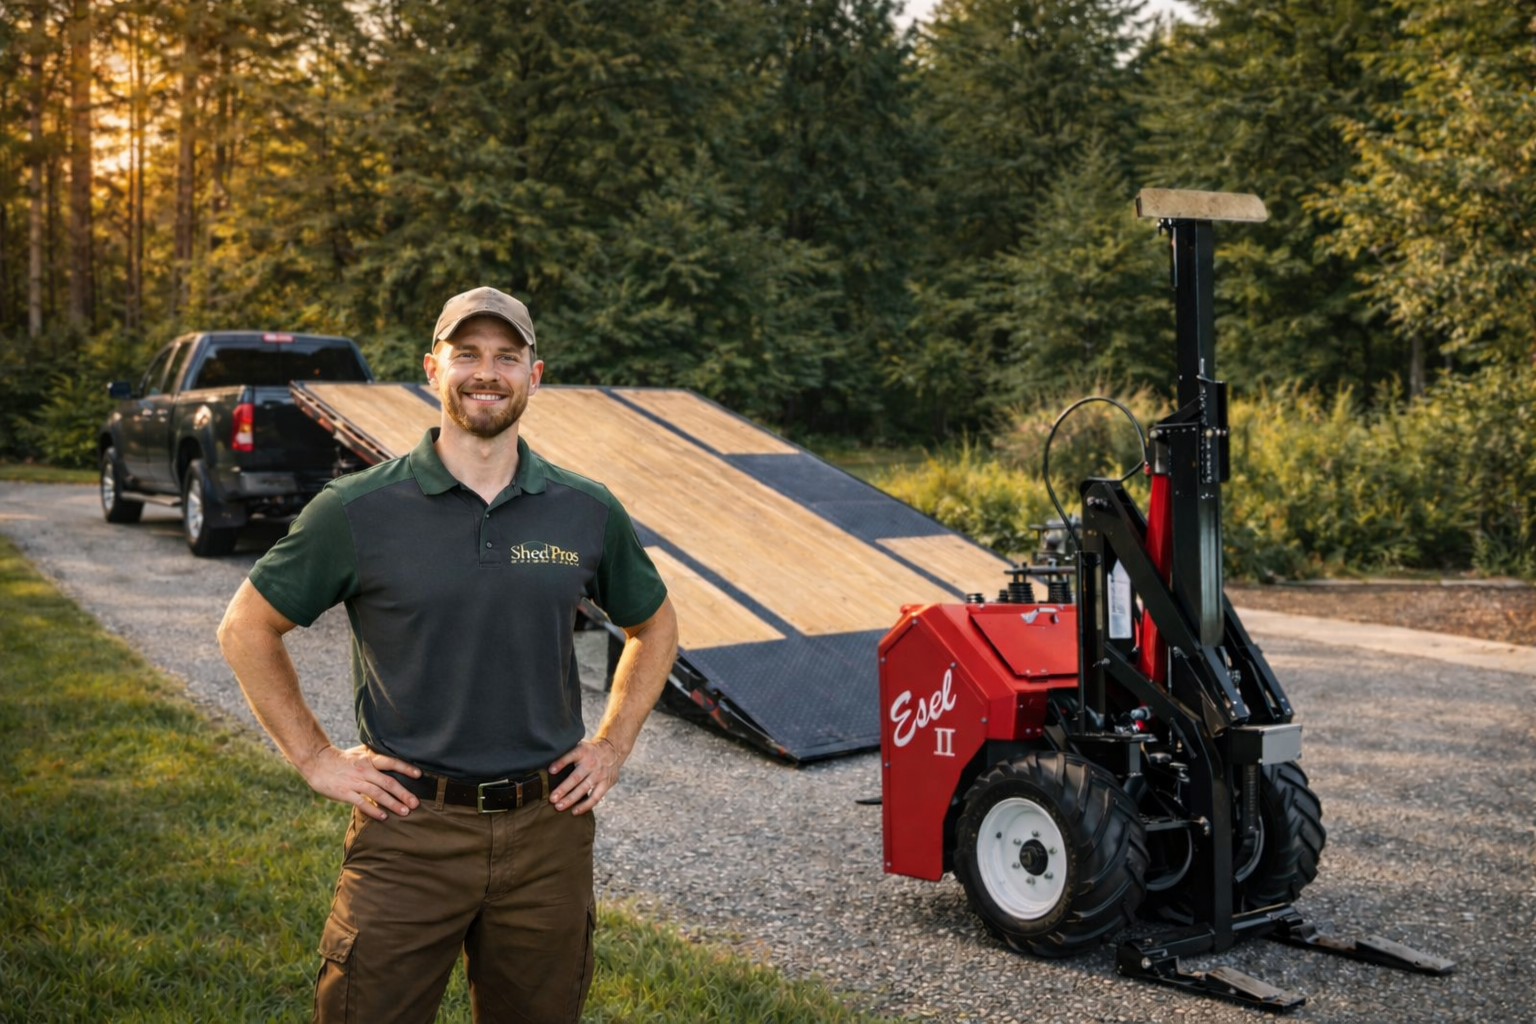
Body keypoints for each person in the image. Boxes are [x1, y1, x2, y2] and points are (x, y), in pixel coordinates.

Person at [217, 285, 678, 1023]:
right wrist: (314, 758)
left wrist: (613, 745)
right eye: (467, 354)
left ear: (536, 374)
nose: (486, 372)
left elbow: (654, 626)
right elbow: (246, 627)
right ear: (433, 368)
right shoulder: (357, 510)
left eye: (507, 355)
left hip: (546, 830)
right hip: (409, 830)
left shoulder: (585, 508)